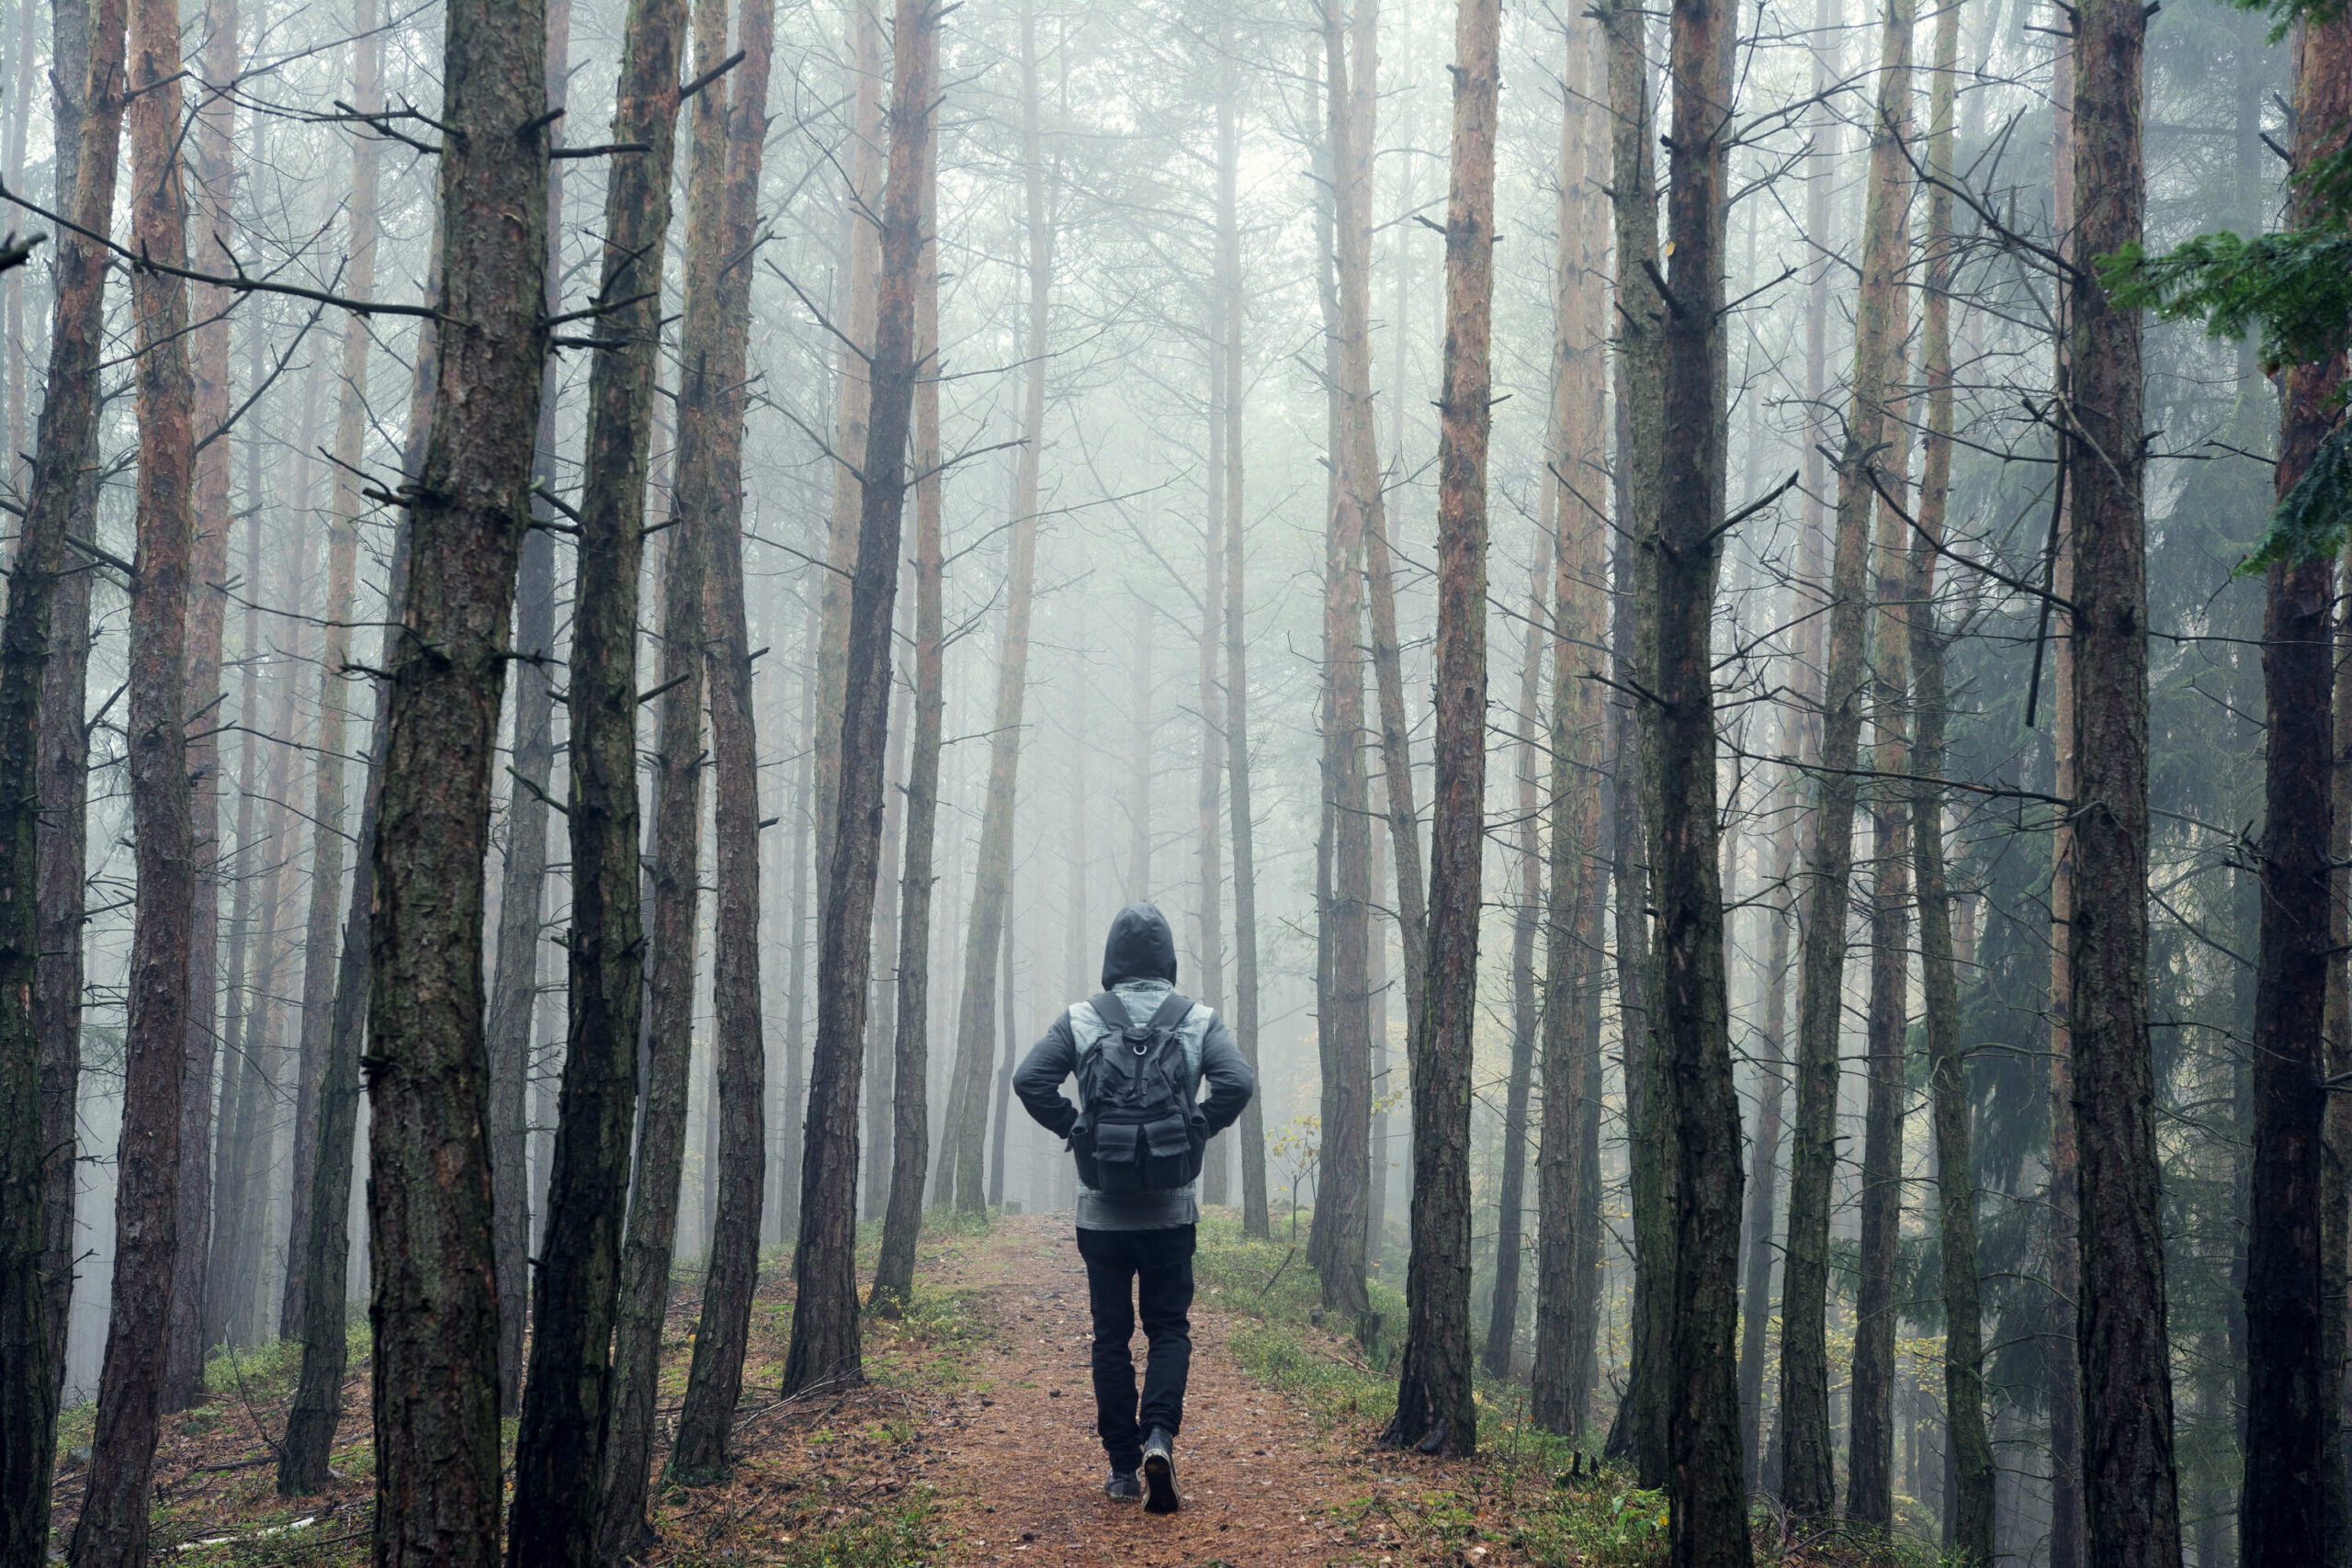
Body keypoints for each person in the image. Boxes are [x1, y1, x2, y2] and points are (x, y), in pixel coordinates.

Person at [1014, 902, 1255, 1515]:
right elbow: (1237, 1082)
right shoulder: (1198, 1019)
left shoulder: (1082, 1019)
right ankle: (1159, 1438)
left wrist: (1077, 1127)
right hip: (1172, 1209)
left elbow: (1029, 1079)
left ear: (1112, 959)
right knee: (1169, 1328)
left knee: (1112, 1335)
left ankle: (1123, 1467)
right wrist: (1198, 1126)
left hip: (1102, 1211)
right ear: (1167, 956)